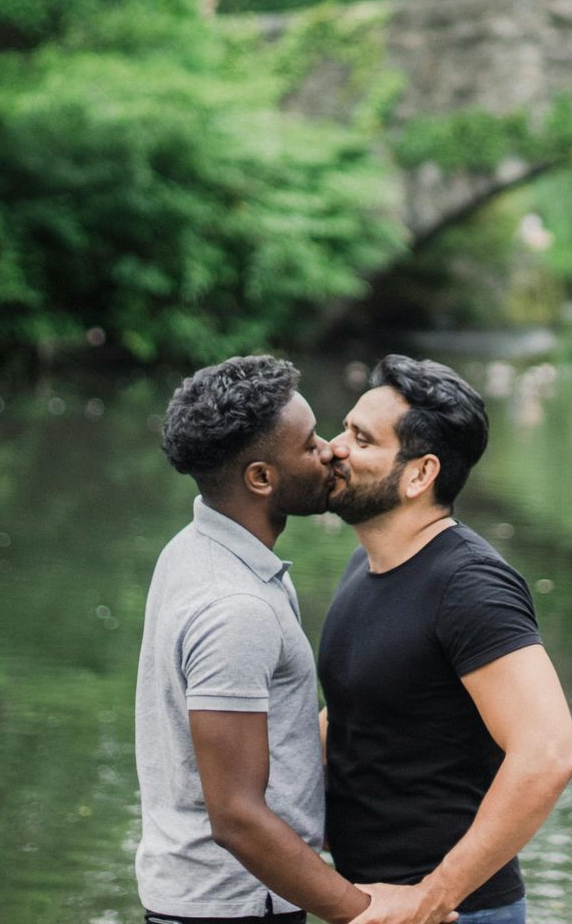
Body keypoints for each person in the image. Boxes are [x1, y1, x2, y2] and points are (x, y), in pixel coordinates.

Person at [136, 355, 433, 924]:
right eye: (308, 444)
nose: (330, 450)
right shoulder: (237, 608)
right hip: (236, 907)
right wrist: (363, 910)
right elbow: (236, 816)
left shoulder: (196, 547)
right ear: (262, 479)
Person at [320, 355, 572, 924]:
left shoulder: (469, 585)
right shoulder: (365, 565)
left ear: (419, 474)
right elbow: (351, 713)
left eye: (361, 440)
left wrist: (434, 896)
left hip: (454, 914)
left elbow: (549, 754)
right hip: (366, 903)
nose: (333, 447)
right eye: (345, 428)